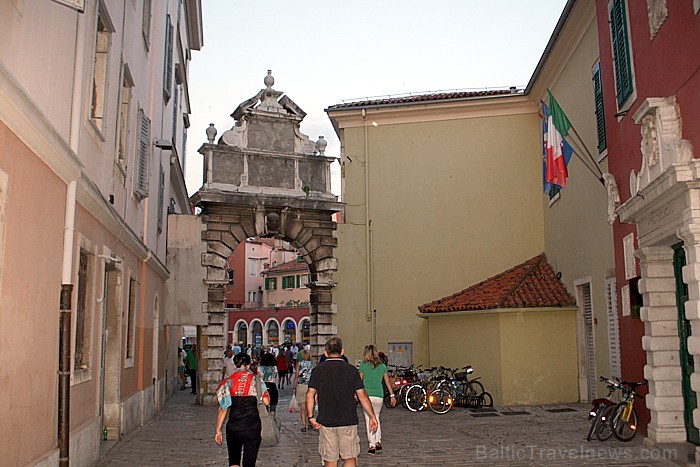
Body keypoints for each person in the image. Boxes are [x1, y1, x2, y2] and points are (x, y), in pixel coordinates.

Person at [307, 336, 378, 467]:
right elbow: (362, 395)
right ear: (342, 351)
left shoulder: (317, 371)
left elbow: (310, 395)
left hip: (326, 420)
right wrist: (372, 416)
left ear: (325, 352)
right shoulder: (351, 370)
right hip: (348, 420)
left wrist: (310, 416)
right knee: (350, 457)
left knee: (331, 459)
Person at [215, 352, 270, 467]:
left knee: (234, 461)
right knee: (249, 463)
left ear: (235, 366)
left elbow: (223, 408)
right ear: (248, 365)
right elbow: (266, 402)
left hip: (234, 427)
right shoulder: (257, 380)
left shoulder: (228, 382)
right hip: (252, 426)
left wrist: (218, 430)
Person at [358, 345, 396, 455]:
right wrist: (392, 395)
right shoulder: (382, 366)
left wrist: (355, 394)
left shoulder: (363, 366)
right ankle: (378, 441)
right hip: (379, 395)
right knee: (377, 417)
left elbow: (359, 382)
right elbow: (387, 382)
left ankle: (372, 445)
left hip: (366, 396)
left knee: (369, 418)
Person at [293, 349, 315, 432]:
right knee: (310, 405)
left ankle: (303, 425)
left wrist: (294, 388)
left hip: (301, 385)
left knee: (303, 407)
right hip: (310, 386)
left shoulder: (299, 364)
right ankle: (310, 421)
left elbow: (296, 376)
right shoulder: (312, 364)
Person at [257, 352, 279, 416]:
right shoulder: (274, 368)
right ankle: (273, 419)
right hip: (272, 385)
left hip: (263, 386)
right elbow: (275, 376)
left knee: (265, 404)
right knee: (273, 404)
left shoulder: (260, 368)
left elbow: (258, 378)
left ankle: (267, 419)